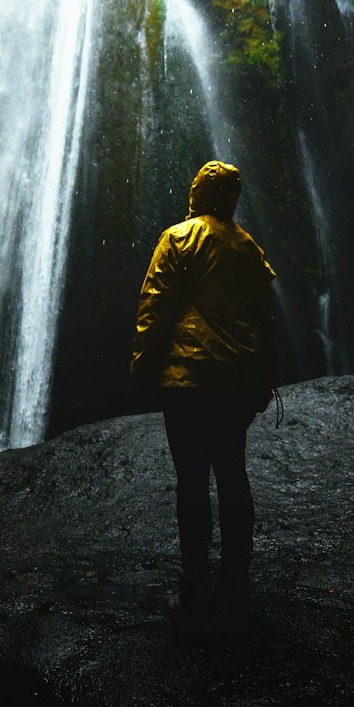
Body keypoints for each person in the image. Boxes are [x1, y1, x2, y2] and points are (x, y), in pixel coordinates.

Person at [130, 161, 276, 633]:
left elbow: (155, 304)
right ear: (231, 198)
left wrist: (142, 365)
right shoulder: (248, 247)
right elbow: (263, 320)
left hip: (187, 381)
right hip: (234, 381)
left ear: (197, 192)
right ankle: (235, 579)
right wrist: (263, 379)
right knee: (233, 474)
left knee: (191, 480)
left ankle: (193, 583)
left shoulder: (178, 238)